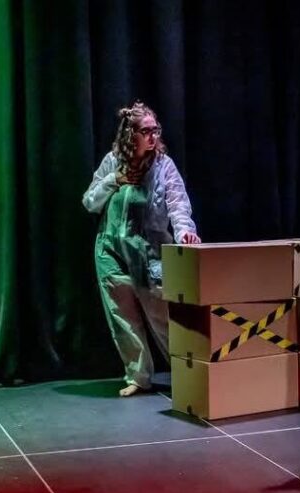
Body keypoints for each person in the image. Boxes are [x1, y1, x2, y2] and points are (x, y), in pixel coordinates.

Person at [82, 101, 200, 397]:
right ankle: (138, 376)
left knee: (163, 318)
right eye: (145, 131)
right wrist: (115, 180)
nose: (152, 136)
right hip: (110, 251)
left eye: (155, 130)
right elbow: (90, 201)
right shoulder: (113, 161)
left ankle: (191, 374)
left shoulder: (163, 165)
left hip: (148, 254)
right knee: (123, 319)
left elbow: (178, 204)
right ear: (130, 134)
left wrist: (185, 232)